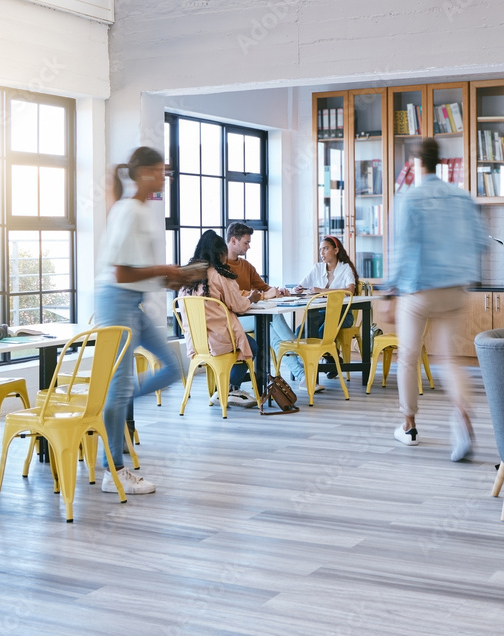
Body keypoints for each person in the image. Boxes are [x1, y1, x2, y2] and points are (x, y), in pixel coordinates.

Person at [95, 146, 206, 495]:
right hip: (116, 302)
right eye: (160, 172)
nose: (164, 179)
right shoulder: (129, 210)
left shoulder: (139, 210)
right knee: (119, 386)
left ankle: (108, 407)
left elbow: (137, 272)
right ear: (144, 173)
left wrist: (171, 279)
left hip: (133, 302)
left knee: (175, 368)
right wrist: (165, 271)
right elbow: (122, 272)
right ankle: (113, 470)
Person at [389, 137, 484, 461]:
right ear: (440, 162)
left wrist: (389, 290)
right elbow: (478, 242)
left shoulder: (410, 198)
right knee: (448, 360)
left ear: (417, 163)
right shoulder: (461, 196)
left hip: (419, 289)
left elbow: (403, 247)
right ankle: (461, 421)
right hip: (455, 287)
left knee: (408, 356)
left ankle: (409, 425)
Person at [179, 230, 263, 408]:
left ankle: (225, 390)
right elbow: (239, 306)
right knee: (252, 345)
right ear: (220, 253)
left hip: (197, 340)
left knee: (246, 342)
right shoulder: (220, 275)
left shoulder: (188, 277)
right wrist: (252, 299)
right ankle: (230, 389)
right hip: (220, 338)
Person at [272, 235, 358, 384]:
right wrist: (298, 289)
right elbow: (302, 285)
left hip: (342, 314)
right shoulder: (317, 268)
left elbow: (350, 290)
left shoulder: (345, 268)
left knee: (321, 333)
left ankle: (326, 364)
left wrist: (321, 290)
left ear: (336, 250)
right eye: (320, 250)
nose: (322, 253)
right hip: (320, 313)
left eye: (326, 248)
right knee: (300, 333)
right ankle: (331, 362)